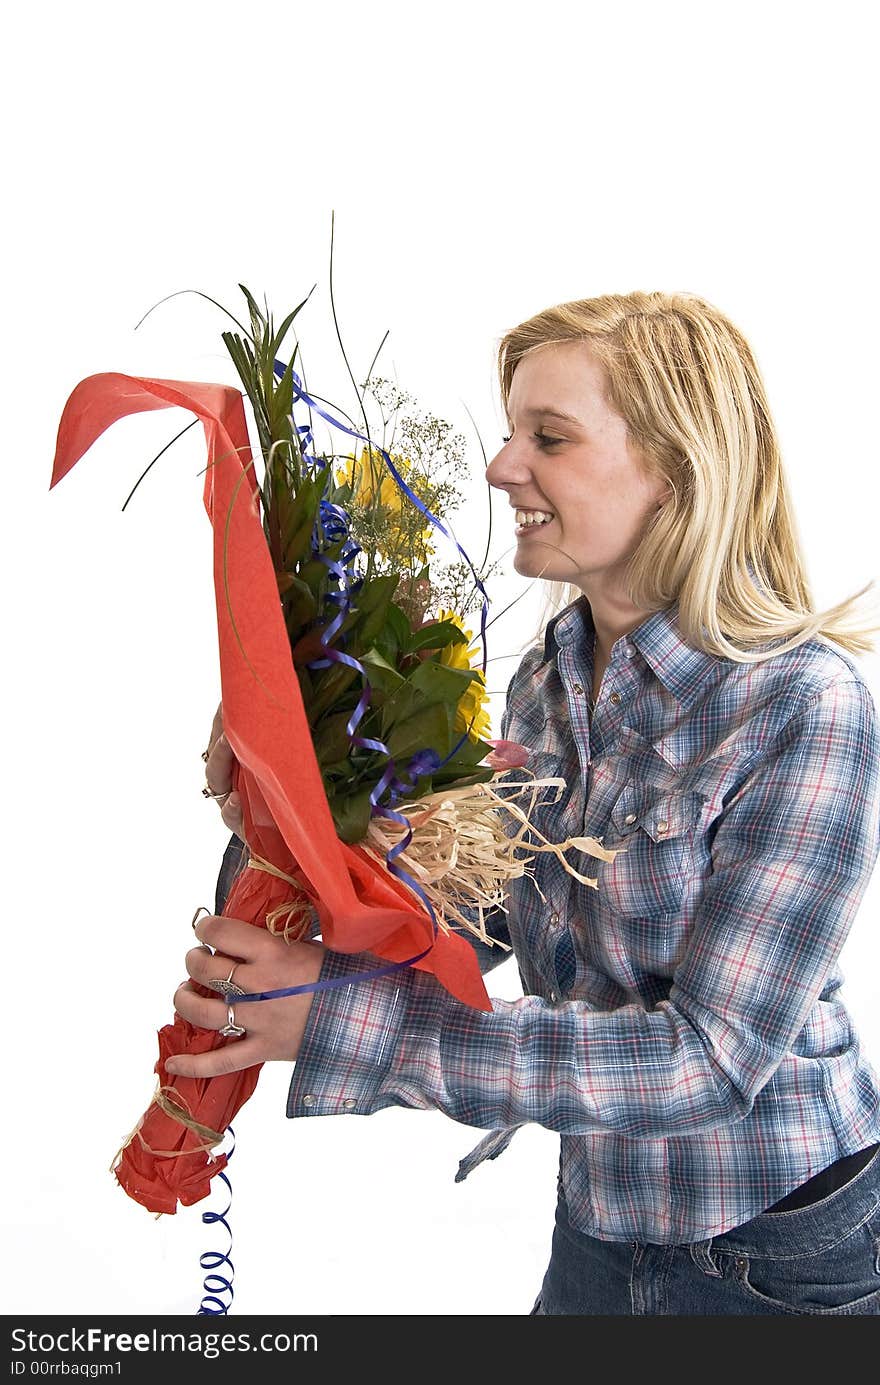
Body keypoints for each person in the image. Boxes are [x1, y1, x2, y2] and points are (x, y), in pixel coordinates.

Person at [166, 291, 880, 1315]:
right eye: (510, 433)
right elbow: (472, 916)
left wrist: (340, 1020)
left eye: (548, 437)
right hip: (601, 1214)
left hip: (779, 1247)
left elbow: (704, 1062)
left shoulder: (803, 705)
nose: (502, 466)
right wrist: (299, 798)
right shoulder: (551, 676)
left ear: (674, 469)